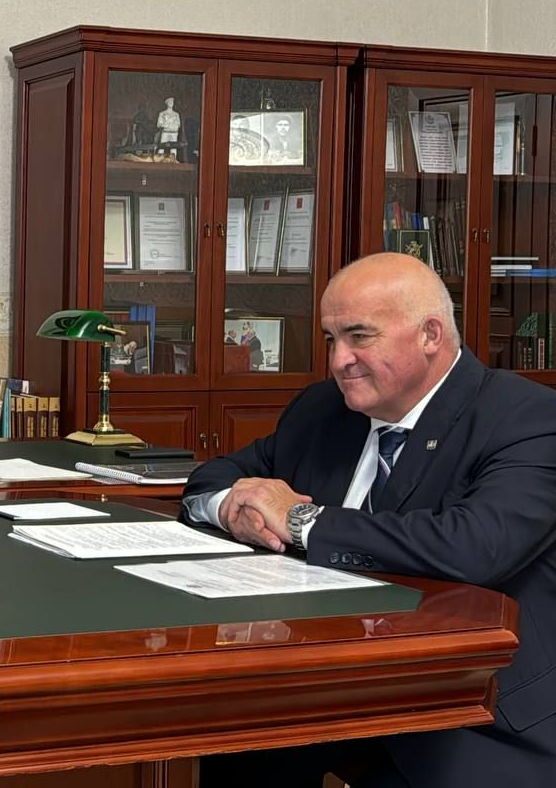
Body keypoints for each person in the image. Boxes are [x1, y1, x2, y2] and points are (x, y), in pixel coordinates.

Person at [181, 252, 556, 787]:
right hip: (322, 682)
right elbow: (215, 476)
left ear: (430, 335)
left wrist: (301, 521)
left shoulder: (526, 417)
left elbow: (475, 547)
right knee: (223, 739)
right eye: (331, 338)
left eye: (359, 336)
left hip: (470, 707)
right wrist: (231, 507)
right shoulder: (324, 409)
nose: (339, 360)